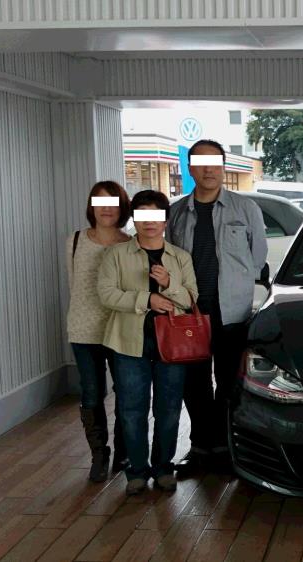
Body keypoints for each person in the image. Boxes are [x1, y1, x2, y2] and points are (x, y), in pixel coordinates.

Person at [166, 140, 267, 474]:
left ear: (224, 167)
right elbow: (170, 259)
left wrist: (237, 286)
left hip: (232, 313)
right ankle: (200, 448)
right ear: (190, 168)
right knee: (194, 385)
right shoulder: (177, 213)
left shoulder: (246, 209)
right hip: (190, 314)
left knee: (227, 384)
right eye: (200, 163)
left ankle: (225, 448)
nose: (208, 169)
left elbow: (257, 257)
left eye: (215, 163)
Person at [98, 190, 198, 495]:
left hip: (172, 346)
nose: (149, 222)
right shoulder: (116, 255)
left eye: (156, 216)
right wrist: (147, 299)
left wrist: (169, 284)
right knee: (131, 410)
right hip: (128, 344)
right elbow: (106, 294)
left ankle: (164, 468)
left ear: (165, 221)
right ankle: (137, 472)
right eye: (142, 215)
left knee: (169, 409)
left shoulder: (180, 257)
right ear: (134, 219)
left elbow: (191, 299)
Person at [66, 181, 132, 483]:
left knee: (126, 391)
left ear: (122, 207)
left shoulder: (130, 243)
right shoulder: (75, 240)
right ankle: (99, 455)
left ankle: (123, 452)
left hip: (120, 329)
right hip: (83, 329)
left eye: (113, 202)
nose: (106, 208)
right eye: (99, 202)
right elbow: (74, 286)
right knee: (91, 392)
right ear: (91, 206)